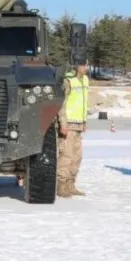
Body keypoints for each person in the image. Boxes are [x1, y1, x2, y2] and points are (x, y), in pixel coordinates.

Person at [57, 60, 89, 197]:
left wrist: (84, 121)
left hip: (79, 125)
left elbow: (83, 101)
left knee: (77, 157)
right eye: (85, 65)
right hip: (68, 124)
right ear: (77, 66)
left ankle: (70, 184)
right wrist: (63, 123)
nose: (87, 68)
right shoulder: (68, 81)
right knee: (66, 156)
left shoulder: (85, 80)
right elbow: (61, 104)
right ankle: (61, 186)